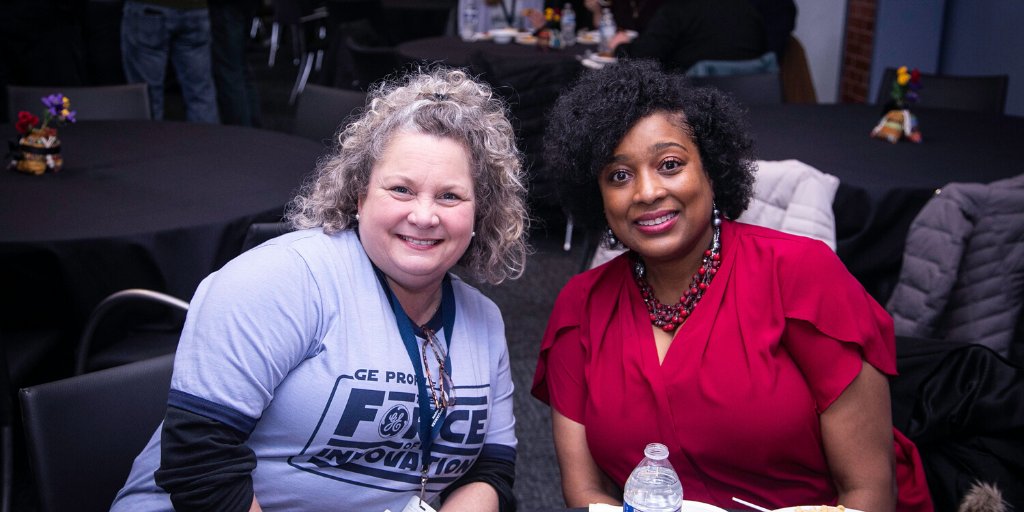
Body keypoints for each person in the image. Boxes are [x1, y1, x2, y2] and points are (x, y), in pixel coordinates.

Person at [111, 67, 529, 512]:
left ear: (479, 213)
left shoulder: (483, 321)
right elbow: (200, 463)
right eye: (401, 190)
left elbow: (489, 470)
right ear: (359, 196)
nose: (424, 216)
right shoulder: (283, 280)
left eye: (450, 196)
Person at [531, 60, 934, 512]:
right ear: (597, 196)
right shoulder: (581, 306)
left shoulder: (802, 274)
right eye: (619, 176)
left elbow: (868, 491)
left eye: (670, 165)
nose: (646, 192)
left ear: (711, 169)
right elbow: (585, 493)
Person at [121, 0, 219, 122]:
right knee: (200, 93)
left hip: (150, 7)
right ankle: (207, 133)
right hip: (195, 8)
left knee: (146, 95)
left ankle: (149, 133)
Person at [607, 0, 767, 73]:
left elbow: (642, 58)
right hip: (758, 104)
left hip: (692, 107)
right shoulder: (746, 8)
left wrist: (619, 46)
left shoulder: (676, 10)